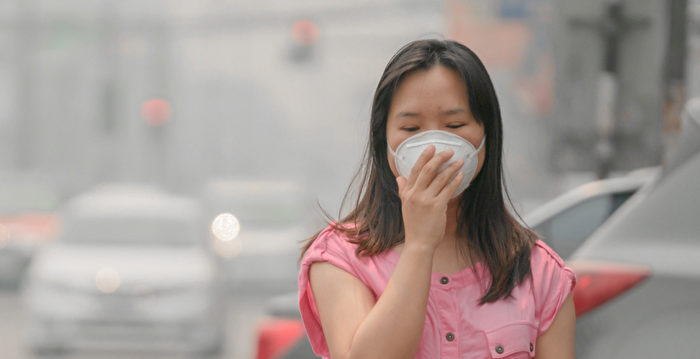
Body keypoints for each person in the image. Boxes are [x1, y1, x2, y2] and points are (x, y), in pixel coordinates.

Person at [298, 39, 576, 359]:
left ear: (488, 134)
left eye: (455, 125)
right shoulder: (341, 257)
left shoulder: (539, 272)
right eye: (411, 127)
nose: (433, 146)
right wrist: (420, 244)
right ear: (383, 139)